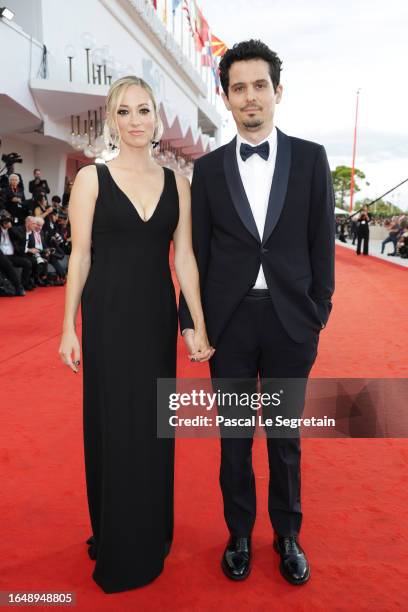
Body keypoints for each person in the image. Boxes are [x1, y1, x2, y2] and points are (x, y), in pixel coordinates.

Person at [179, 39, 335, 586]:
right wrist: (192, 321)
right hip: (231, 324)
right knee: (235, 439)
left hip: (293, 322)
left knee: (286, 438)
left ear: (278, 92)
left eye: (260, 86)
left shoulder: (312, 159)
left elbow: (322, 242)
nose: (250, 97)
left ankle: (287, 534)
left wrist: (320, 312)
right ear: (226, 97)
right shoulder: (210, 169)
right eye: (239, 87)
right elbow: (195, 252)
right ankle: (239, 533)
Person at [58, 75, 214, 594]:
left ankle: (150, 532)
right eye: (123, 112)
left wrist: (196, 324)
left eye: (143, 110)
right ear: (111, 119)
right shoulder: (91, 180)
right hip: (107, 316)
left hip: (154, 317)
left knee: (152, 426)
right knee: (114, 424)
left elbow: (185, 259)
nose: (135, 121)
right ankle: (117, 538)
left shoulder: (178, 184)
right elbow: (78, 257)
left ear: (157, 117)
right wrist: (67, 328)